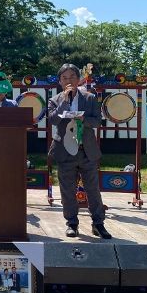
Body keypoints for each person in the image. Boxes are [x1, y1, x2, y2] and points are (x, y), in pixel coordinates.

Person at [48, 64, 111, 239]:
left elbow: (97, 121)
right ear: (60, 81)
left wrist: (83, 119)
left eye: (72, 77)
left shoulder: (90, 98)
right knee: (67, 190)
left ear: (78, 79)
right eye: (65, 78)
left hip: (86, 150)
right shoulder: (54, 100)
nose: (69, 81)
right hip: (65, 150)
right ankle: (72, 223)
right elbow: (53, 120)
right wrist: (64, 101)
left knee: (93, 189)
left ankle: (98, 224)